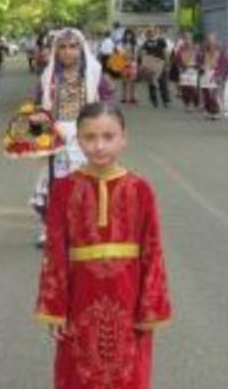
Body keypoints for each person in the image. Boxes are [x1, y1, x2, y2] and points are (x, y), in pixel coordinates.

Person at [35, 102, 172, 389]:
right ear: (77, 140)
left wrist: (150, 307)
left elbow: (153, 251)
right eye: (90, 137)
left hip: (129, 301)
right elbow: (55, 253)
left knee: (128, 375)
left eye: (108, 137)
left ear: (124, 138)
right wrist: (55, 308)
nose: (99, 146)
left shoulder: (141, 190)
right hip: (79, 301)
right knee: (78, 373)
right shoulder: (64, 189)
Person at [30, 28, 114, 247]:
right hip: (56, 136)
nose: (68, 52)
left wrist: (100, 126)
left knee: (87, 184)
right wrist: (38, 119)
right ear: (56, 51)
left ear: (81, 48)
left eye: (73, 46)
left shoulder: (95, 74)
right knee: (54, 184)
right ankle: (50, 229)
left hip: (86, 135)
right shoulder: (48, 77)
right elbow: (38, 106)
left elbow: (108, 102)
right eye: (63, 47)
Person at [137, 27, 170, 108]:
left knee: (163, 83)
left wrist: (167, 63)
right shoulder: (146, 42)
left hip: (160, 63)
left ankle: (165, 100)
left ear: (155, 32)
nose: (150, 33)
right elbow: (143, 53)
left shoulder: (161, 40)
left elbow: (165, 52)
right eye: (148, 32)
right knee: (152, 83)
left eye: (151, 32)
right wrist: (144, 64)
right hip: (151, 65)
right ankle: (154, 101)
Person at [199, 32, 228, 119]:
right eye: (209, 40)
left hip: (215, 75)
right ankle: (209, 111)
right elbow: (198, 62)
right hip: (205, 74)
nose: (211, 42)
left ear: (216, 41)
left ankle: (216, 111)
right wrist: (201, 66)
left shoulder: (220, 53)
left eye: (212, 40)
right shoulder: (203, 52)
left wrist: (218, 74)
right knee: (206, 94)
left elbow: (223, 65)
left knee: (214, 94)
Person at [175, 34, 201, 111]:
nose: (187, 41)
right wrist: (180, 66)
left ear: (192, 40)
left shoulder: (196, 49)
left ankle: (196, 104)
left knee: (194, 88)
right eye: (186, 39)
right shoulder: (181, 49)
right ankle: (187, 105)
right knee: (185, 89)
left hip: (194, 70)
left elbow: (200, 59)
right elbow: (177, 60)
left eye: (189, 39)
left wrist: (198, 66)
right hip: (184, 70)